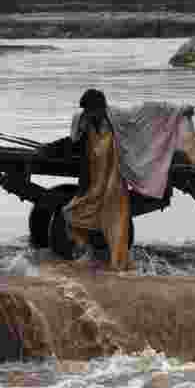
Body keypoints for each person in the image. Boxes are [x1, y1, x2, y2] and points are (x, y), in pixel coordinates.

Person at [62, 88, 132, 270]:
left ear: (101, 108)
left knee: (115, 225)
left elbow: (145, 113)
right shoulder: (86, 124)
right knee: (70, 213)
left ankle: (119, 264)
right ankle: (88, 254)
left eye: (90, 110)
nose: (86, 114)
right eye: (85, 111)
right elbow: (72, 145)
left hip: (113, 186)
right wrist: (50, 148)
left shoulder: (117, 121)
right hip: (93, 184)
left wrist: (180, 112)